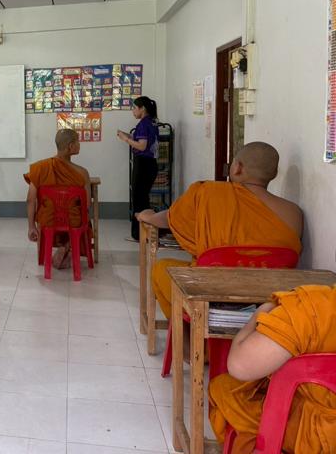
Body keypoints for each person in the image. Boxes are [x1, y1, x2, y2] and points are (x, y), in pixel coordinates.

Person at [137, 142, 303, 319]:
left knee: (161, 268)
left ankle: (187, 332)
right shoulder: (294, 213)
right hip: (269, 303)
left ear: (237, 168)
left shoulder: (207, 192)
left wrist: (148, 216)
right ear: (274, 174)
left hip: (209, 296)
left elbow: (170, 218)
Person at [208, 285, 336, 453]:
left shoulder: (314, 308)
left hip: (309, 435)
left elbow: (239, 366)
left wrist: (259, 314)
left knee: (222, 387)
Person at [24, 129, 91, 269]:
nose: (79, 145)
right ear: (70, 146)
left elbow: (30, 199)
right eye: (78, 142)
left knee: (49, 216)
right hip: (73, 220)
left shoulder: (40, 168)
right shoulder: (82, 173)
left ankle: (62, 248)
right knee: (85, 221)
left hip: (48, 219)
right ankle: (67, 247)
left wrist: (31, 227)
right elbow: (87, 204)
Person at [116, 96, 160, 240]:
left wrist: (126, 139)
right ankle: (144, 233)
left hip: (143, 165)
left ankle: (139, 235)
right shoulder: (152, 122)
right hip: (150, 164)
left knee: (139, 200)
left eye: (135, 108)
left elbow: (142, 146)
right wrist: (128, 135)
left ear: (143, 109)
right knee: (143, 199)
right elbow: (142, 140)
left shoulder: (143, 124)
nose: (133, 111)